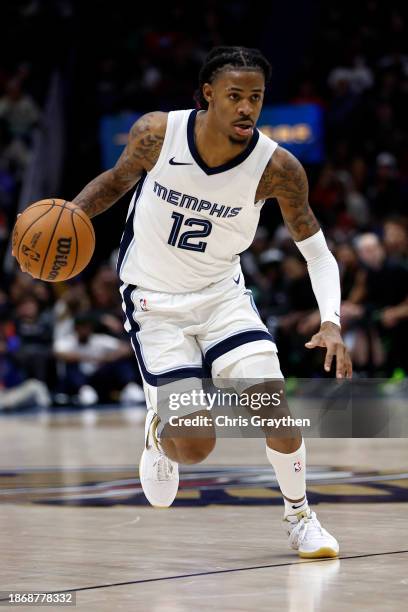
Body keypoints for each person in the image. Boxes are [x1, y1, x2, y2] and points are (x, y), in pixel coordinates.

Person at [15, 46, 353, 558]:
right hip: (153, 299)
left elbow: (319, 253)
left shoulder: (277, 168)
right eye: (235, 96)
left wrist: (331, 321)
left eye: (256, 98)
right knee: (195, 446)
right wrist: (65, 222)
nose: (246, 108)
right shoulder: (157, 133)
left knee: (274, 410)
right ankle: (158, 432)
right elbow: (113, 183)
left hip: (222, 298)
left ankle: (301, 516)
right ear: (208, 95)